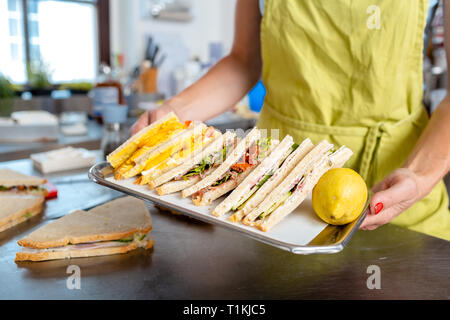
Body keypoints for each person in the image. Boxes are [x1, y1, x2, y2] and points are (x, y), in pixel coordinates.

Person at [132, 0, 450, 240]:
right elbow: (244, 61)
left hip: (402, 189)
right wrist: (174, 111)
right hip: (271, 184)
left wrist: (420, 176)